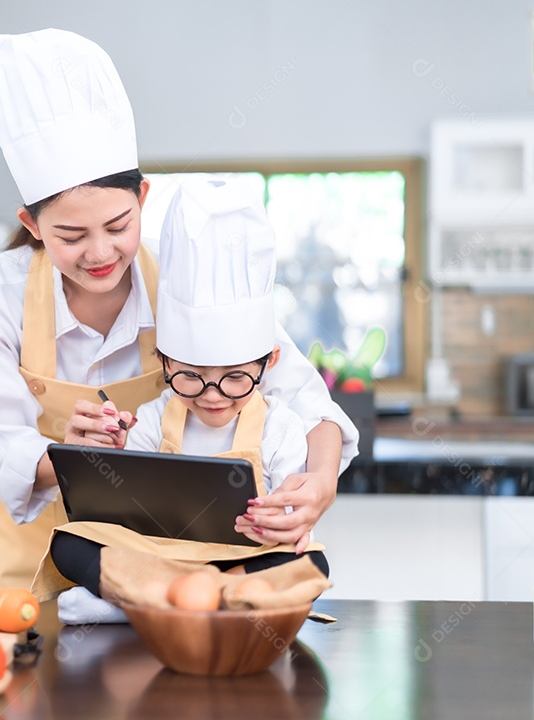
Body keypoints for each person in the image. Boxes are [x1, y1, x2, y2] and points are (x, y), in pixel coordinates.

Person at [0, 28, 357, 590]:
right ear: (33, 226)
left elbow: (307, 403)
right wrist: (68, 455)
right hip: (29, 559)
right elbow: (5, 447)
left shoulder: (189, 271)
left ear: (142, 200)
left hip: (169, 565)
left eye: (118, 226)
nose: (100, 254)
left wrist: (320, 485)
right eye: (71, 235)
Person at [44, 175, 333, 620]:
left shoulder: (281, 428)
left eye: (235, 378)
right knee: (70, 541)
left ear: (269, 362)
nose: (213, 396)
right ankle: (220, 600)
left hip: (241, 555)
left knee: (309, 562)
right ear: (164, 361)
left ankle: (141, 601)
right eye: (191, 378)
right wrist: (108, 455)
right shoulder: (154, 416)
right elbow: (123, 502)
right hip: (159, 552)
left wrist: (280, 517)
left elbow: (291, 506)